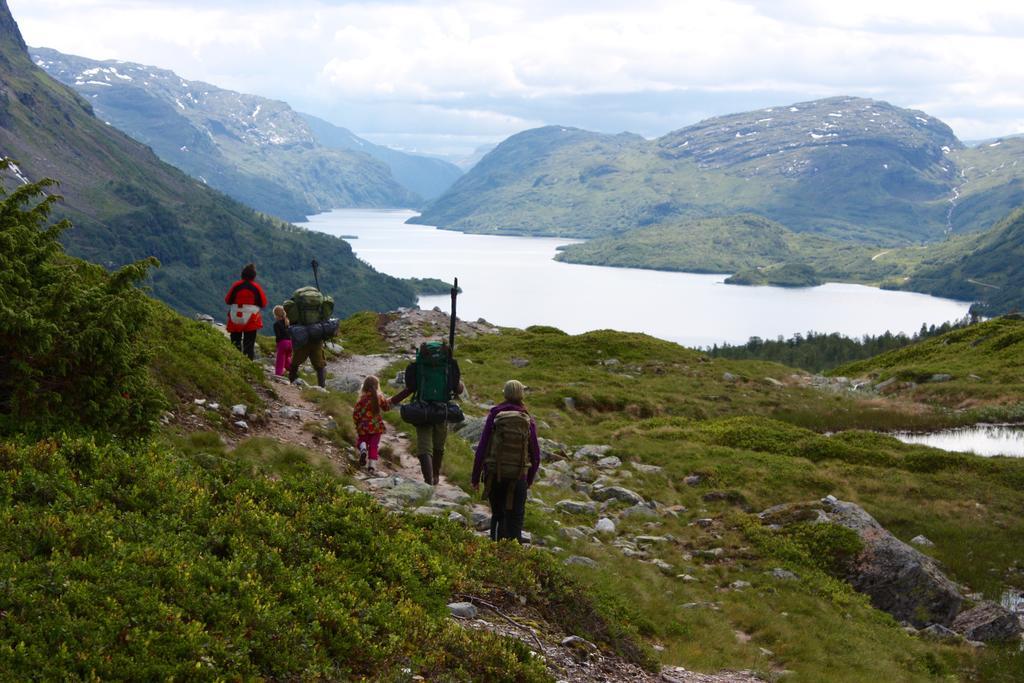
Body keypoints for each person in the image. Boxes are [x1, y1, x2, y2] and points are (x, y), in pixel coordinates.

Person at [471, 380, 540, 543]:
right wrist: (528, 479)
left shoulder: (495, 414)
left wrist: (475, 478)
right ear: (521, 395)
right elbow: (536, 455)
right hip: (519, 475)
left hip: (495, 473)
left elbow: (482, 448)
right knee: (516, 516)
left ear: (505, 394)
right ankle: (513, 553)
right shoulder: (527, 418)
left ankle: (495, 550)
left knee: (498, 514)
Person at [391, 341, 463, 485]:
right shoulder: (449, 365)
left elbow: (410, 388)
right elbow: (458, 389)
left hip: (422, 410)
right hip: (442, 410)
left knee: (424, 447)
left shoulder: (418, 366)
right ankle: (436, 475)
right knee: (438, 446)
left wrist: (392, 401)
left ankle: (428, 481)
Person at [224, 263, 267, 360]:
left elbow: (227, 300)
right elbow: (263, 303)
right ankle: (247, 362)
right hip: (251, 318)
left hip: (235, 316)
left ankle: (235, 360)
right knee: (249, 343)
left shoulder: (236, 285)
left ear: (242, 274)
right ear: (254, 276)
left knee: (235, 341)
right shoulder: (256, 287)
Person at [352, 376, 391, 474]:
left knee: (361, 441)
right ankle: (371, 467)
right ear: (377, 386)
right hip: (376, 427)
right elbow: (386, 408)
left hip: (363, 426)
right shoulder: (379, 398)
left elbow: (355, 414)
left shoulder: (362, 399)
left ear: (364, 387)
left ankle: (363, 448)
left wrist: (357, 423)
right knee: (374, 446)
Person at [272, 305, 292, 377]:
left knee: (280, 359)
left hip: (283, 343)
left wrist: (277, 345)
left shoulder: (276, 324)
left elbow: (278, 336)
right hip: (290, 343)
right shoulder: (287, 322)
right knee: (287, 359)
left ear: (276, 315)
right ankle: (293, 371)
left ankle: (278, 374)